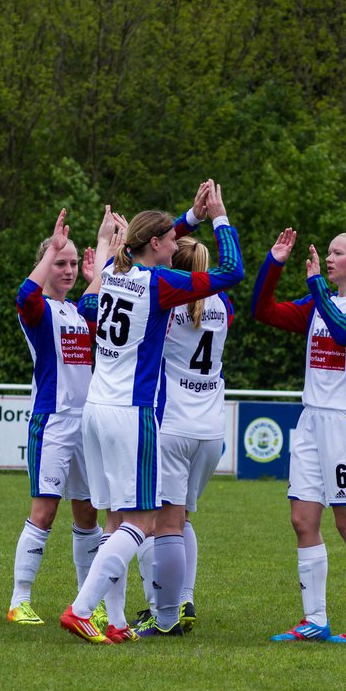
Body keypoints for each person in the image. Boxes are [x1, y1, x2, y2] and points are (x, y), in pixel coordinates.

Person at [60, 180, 244, 643]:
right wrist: (217, 217)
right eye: (172, 239)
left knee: (115, 519)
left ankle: (117, 621)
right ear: (157, 245)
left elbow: (86, 304)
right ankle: (83, 608)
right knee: (143, 521)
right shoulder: (161, 282)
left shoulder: (110, 272)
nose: (177, 244)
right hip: (132, 413)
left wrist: (189, 217)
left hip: (96, 411)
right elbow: (232, 272)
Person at [252, 228, 346, 644]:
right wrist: (273, 263)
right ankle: (314, 619)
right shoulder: (319, 304)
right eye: (327, 253)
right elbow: (263, 310)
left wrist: (315, 288)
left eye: (337, 252)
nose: (328, 258)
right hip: (312, 421)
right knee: (302, 520)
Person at [7, 207, 121, 626]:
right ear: (46, 265)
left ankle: (85, 602)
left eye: (73, 262)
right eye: (61, 262)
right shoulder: (39, 313)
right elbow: (24, 297)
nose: (69, 268)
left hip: (85, 424)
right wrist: (50, 248)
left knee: (88, 513)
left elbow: (100, 295)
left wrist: (108, 247)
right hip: (52, 422)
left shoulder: (77, 312)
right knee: (44, 511)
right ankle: (20, 600)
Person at [133, 234, 234, 636]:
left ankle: (166, 615)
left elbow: (146, 268)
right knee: (183, 519)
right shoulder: (223, 304)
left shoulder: (164, 301)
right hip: (211, 432)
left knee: (162, 524)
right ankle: (184, 597)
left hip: (171, 423)